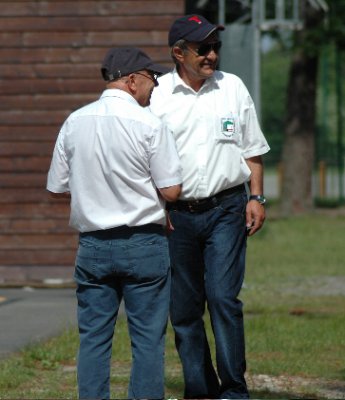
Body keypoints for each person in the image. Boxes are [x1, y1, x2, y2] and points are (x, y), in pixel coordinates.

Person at [46, 47, 182, 400]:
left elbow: (58, 188)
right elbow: (171, 189)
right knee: (148, 339)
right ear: (132, 80)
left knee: (93, 337)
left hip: (93, 245)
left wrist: (94, 194)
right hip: (143, 242)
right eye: (152, 79)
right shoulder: (150, 123)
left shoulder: (75, 121)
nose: (155, 86)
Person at [150, 14, 270, 399]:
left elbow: (252, 149)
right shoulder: (156, 96)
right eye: (203, 48)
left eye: (215, 47)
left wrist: (256, 197)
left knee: (222, 298)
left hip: (226, 210)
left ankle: (234, 390)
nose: (212, 55)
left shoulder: (232, 87)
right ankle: (200, 390)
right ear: (178, 52)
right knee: (184, 310)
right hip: (176, 217)